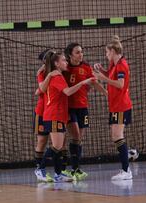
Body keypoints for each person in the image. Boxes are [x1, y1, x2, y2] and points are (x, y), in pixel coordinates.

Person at [42, 52, 95, 182]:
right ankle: (40, 167)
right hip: (54, 114)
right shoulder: (57, 77)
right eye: (64, 60)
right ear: (56, 63)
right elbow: (68, 91)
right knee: (56, 146)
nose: (66, 62)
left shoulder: (57, 76)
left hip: (59, 114)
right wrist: (83, 82)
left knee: (58, 146)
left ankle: (58, 174)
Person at [63, 43, 107, 180]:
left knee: (79, 138)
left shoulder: (85, 67)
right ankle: (66, 168)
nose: (81, 54)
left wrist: (107, 94)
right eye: (77, 52)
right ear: (70, 55)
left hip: (83, 107)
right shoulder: (65, 68)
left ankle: (76, 169)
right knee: (74, 135)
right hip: (69, 107)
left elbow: (93, 83)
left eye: (81, 52)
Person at [93, 36, 133, 180]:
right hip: (115, 105)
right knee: (116, 136)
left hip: (121, 105)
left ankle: (126, 170)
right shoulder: (114, 64)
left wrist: (103, 79)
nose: (106, 55)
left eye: (107, 52)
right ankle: (127, 159)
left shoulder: (122, 64)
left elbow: (120, 84)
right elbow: (112, 77)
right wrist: (102, 71)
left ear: (114, 51)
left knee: (117, 135)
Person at [33, 49, 59, 182]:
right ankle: (39, 168)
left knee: (58, 142)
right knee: (42, 141)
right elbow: (41, 89)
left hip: (55, 111)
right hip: (42, 111)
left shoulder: (59, 71)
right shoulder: (42, 73)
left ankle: (58, 171)